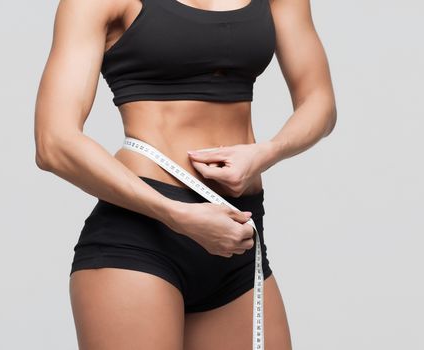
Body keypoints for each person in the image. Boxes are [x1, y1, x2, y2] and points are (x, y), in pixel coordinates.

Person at [34, 0, 336, 348]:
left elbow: (320, 101)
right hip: (143, 236)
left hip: (236, 238)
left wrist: (267, 152)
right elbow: (53, 141)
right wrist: (175, 215)